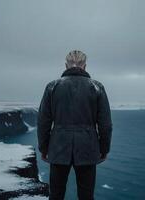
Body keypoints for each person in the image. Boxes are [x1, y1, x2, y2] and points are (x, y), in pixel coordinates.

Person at [37, 50, 113, 200]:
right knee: (86, 196)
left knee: (56, 195)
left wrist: (44, 148)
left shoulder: (52, 87)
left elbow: (43, 122)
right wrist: (104, 149)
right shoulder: (97, 87)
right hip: (88, 148)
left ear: (66, 65)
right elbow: (105, 124)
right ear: (85, 66)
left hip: (58, 148)